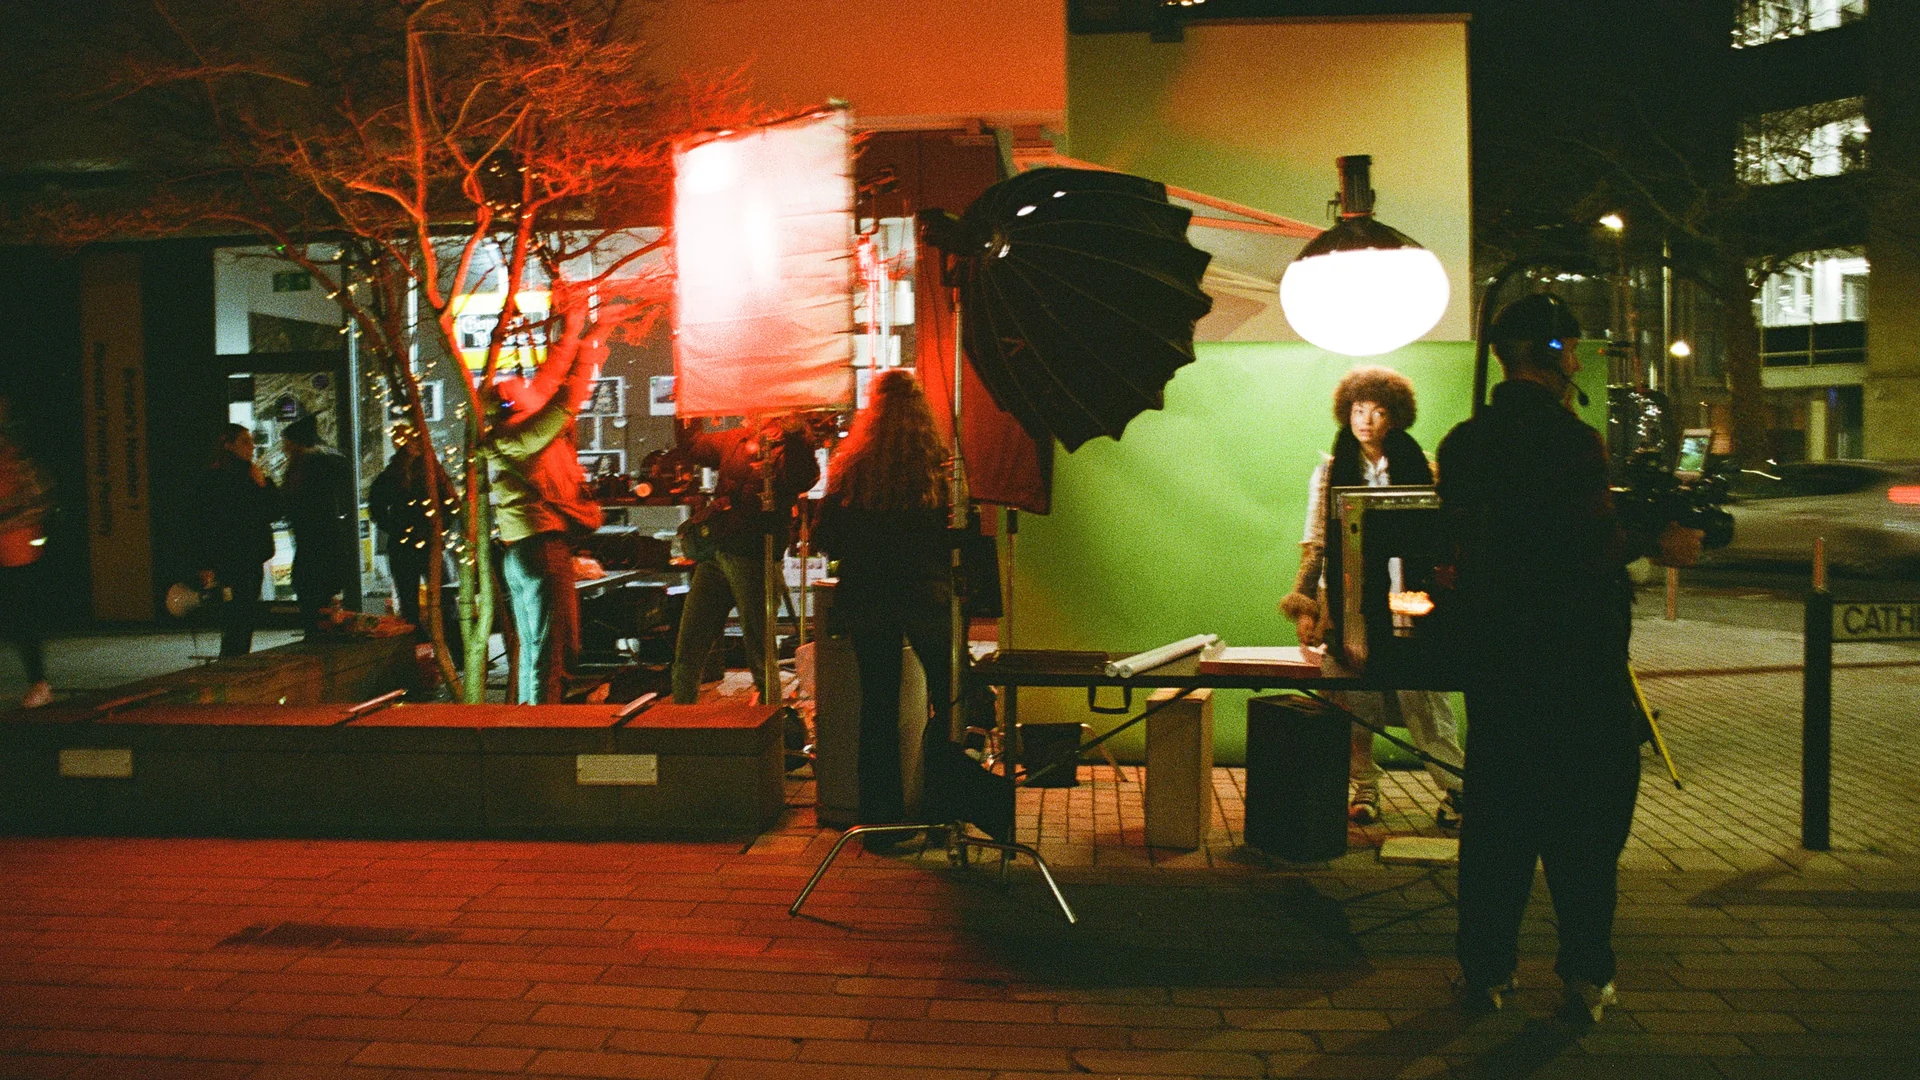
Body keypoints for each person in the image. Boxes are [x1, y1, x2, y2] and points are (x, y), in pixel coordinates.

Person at [1437, 293, 1701, 1024]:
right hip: (1575, 667)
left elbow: (1460, 547)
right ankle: (1586, 974)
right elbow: (1591, 550)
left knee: (1496, 830)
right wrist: (1650, 535)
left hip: (1498, 668)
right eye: (1572, 349)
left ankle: (1486, 970)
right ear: (1552, 354)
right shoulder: (1572, 441)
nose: (1578, 362)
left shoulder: (1462, 444)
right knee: (1585, 830)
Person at [813, 368, 1011, 849]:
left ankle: (879, 824)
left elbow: (824, 538)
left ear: (872, 411)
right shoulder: (939, 466)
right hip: (926, 594)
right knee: (949, 700)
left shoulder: (852, 466)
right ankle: (943, 812)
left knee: (877, 706)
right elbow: (961, 537)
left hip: (868, 596)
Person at [1281, 366, 1467, 830]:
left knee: (1423, 693)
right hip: (1346, 600)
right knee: (1352, 696)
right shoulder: (1328, 471)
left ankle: (1458, 790)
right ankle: (1363, 790)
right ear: (1346, 411)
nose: (1366, 419)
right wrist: (1305, 602)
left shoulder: (1421, 464)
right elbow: (1316, 541)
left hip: (1408, 594)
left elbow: (1438, 535)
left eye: (1378, 410)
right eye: (1359, 409)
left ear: (1396, 416)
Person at [669, 415, 818, 705]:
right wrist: (685, 411)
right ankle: (680, 722)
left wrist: (795, 435)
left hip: (752, 555)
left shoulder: (788, 448)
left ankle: (768, 728)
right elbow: (693, 446)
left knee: (759, 656)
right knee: (691, 645)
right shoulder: (737, 439)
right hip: (722, 553)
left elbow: (804, 476)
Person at [487, 354, 602, 705]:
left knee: (535, 649)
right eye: (521, 386)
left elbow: (551, 386)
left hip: (519, 551)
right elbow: (564, 403)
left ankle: (528, 724)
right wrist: (587, 357)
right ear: (511, 402)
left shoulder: (508, 434)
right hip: (542, 548)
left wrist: (577, 338)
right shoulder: (524, 433)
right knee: (553, 653)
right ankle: (543, 731)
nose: (529, 385)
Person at [369, 422, 464, 661]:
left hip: (417, 543)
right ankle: (432, 655)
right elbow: (378, 506)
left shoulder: (421, 471)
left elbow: (378, 506)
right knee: (435, 600)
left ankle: (427, 655)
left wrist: (433, 528)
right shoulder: (417, 471)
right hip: (417, 543)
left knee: (430, 600)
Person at [192, 424, 281, 658]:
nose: (251, 447)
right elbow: (205, 522)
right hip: (236, 555)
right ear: (228, 445)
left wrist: (262, 484)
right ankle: (234, 656)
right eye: (245, 442)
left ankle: (234, 655)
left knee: (240, 613)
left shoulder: (246, 474)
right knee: (239, 613)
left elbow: (273, 511)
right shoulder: (224, 478)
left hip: (241, 554)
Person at [280, 413, 358, 637]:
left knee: (310, 587)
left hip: (313, 541)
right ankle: (322, 629)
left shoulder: (307, 466)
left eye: (287, 443)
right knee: (320, 589)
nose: (284, 448)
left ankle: (315, 632)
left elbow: (292, 503)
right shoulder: (329, 461)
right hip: (325, 539)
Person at [0, 394, 54, 707]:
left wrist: (7, 519)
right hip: (13, 546)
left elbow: (37, 497)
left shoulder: (13, 453)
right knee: (18, 619)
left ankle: (39, 682)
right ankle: (38, 682)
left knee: (21, 619)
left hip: (17, 549)